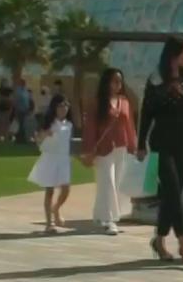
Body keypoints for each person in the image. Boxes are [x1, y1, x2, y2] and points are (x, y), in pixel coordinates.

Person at [138, 36, 183, 262]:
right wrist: (140, 143)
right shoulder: (156, 79)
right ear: (173, 55)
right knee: (171, 188)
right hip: (161, 141)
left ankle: (159, 240)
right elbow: (147, 113)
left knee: (173, 193)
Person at [82, 68, 137, 235]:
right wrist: (89, 149)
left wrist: (133, 146)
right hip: (103, 150)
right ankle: (109, 220)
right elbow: (90, 128)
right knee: (108, 183)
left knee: (116, 183)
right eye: (114, 81)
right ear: (106, 82)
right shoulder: (97, 103)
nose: (118, 84)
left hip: (121, 148)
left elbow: (130, 126)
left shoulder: (125, 102)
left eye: (120, 81)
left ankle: (100, 215)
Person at [28, 94, 74, 233]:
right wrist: (43, 134)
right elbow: (38, 140)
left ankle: (56, 208)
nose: (64, 108)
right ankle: (49, 223)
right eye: (60, 105)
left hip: (63, 159)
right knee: (50, 191)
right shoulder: (49, 123)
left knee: (66, 189)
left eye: (66, 105)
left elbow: (68, 142)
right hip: (50, 159)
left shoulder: (69, 124)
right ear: (54, 107)